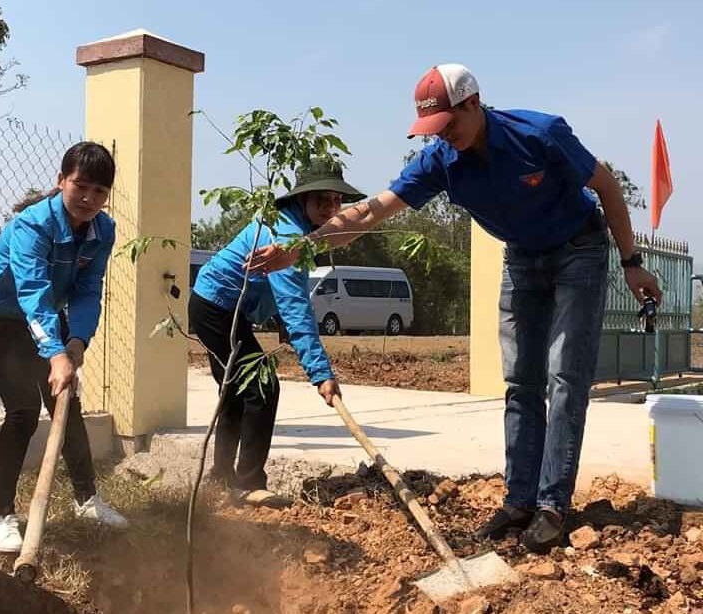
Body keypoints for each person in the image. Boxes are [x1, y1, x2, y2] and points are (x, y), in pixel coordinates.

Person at [248, 64, 662, 553]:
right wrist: (298, 249)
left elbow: (608, 187)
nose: (444, 135)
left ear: (473, 104)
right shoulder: (441, 160)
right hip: (522, 258)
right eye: (434, 129)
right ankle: (518, 502)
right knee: (520, 382)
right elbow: (370, 212)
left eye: (450, 123)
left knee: (564, 378)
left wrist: (632, 263)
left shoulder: (540, 133)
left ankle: (552, 506)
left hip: (579, 250)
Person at [0, 141, 128, 553]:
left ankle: (86, 499)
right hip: (1, 318)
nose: (89, 198)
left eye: (100, 191)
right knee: (22, 411)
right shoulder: (31, 226)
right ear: (61, 182)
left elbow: (88, 289)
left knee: (66, 405)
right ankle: (1, 516)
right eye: (80, 186)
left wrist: (76, 341)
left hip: (46, 319)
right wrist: (55, 353)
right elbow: (33, 292)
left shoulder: (103, 230)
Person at [190, 156, 357, 507]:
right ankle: (247, 483)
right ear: (302, 199)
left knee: (236, 393)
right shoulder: (286, 238)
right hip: (217, 307)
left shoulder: (301, 234)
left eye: (336, 201)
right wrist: (321, 373)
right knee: (263, 386)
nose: (330, 209)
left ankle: (221, 479)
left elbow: (284, 302)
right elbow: (295, 307)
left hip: (222, 307)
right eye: (321, 200)